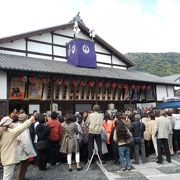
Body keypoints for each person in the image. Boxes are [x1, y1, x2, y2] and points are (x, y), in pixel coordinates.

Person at [0, 115, 35, 180]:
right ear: (7, 124)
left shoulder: (2, 133)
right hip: (9, 157)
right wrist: (30, 120)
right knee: (7, 176)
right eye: (11, 123)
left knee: (7, 175)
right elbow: (21, 128)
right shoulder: (10, 133)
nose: (12, 124)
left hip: (5, 156)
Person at [16, 113, 37, 180]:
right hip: (24, 149)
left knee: (23, 164)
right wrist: (28, 151)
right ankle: (21, 178)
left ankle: (22, 177)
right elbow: (26, 141)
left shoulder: (17, 125)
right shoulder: (24, 128)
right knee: (24, 165)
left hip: (19, 148)